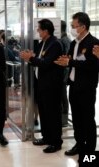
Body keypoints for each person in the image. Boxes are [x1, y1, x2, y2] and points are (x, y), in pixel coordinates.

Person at [54, 12, 99, 156]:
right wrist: (65, 61)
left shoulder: (94, 43)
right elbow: (71, 61)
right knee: (77, 119)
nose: (72, 29)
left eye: (74, 26)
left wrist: (70, 62)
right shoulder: (74, 43)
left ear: (83, 27)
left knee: (88, 119)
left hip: (87, 88)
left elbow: (92, 65)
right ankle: (79, 144)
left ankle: (90, 150)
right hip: (73, 86)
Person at [20, 19, 64, 153]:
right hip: (41, 84)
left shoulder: (55, 44)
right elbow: (38, 60)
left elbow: (46, 63)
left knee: (52, 114)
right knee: (44, 113)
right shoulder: (43, 43)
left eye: (39, 29)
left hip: (52, 86)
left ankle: (56, 142)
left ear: (46, 31)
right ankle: (46, 137)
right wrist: (31, 57)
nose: (37, 32)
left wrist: (31, 58)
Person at [60, 20, 71, 127]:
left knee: (63, 96)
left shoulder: (65, 40)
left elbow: (66, 58)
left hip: (63, 73)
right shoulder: (62, 39)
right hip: (62, 73)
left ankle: (63, 120)